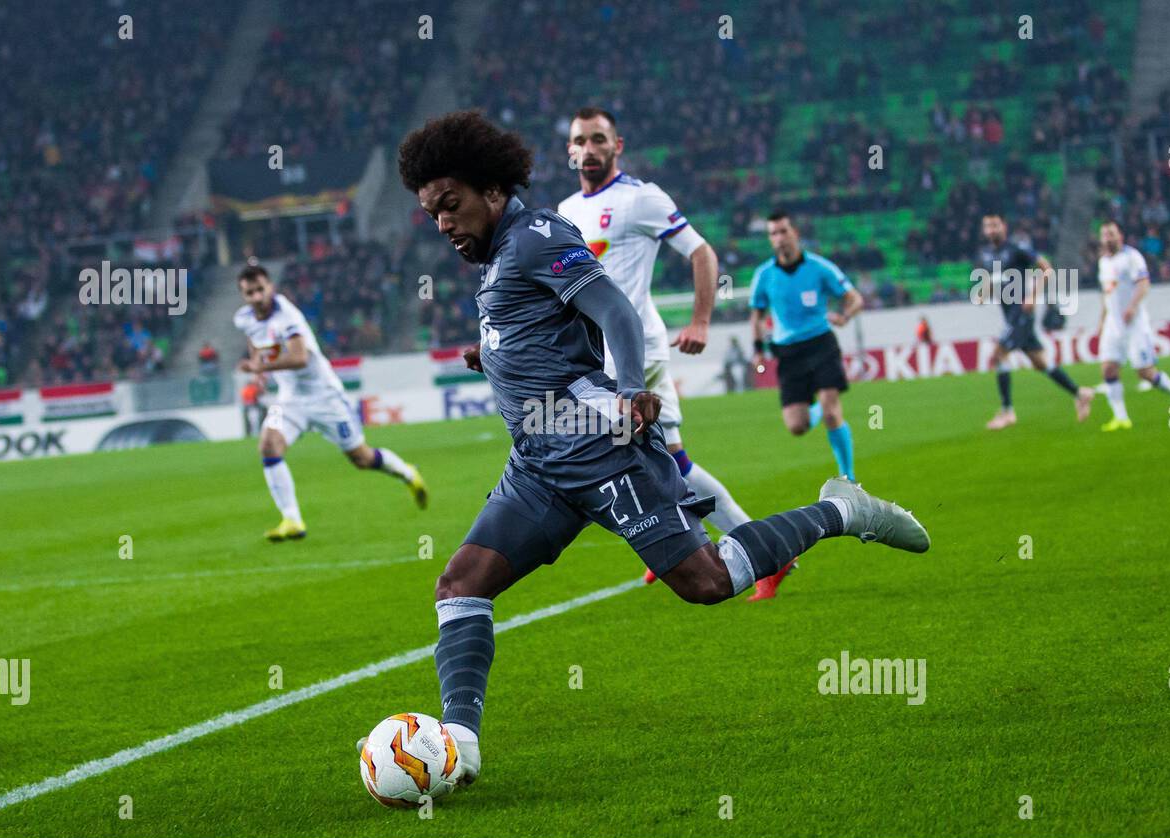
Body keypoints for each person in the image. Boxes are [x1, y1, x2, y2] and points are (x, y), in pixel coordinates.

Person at [388, 111, 931, 790]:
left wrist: (625, 392)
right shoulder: (500, 255)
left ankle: (840, 510)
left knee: (706, 582)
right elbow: (543, 332)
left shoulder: (537, 237)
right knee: (461, 585)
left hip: (603, 451)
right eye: (431, 212)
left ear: (493, 189)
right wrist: (491, 355)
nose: (442, 222)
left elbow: (613, 309)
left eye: (451, 204)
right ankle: (459, 746)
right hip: (538, 466)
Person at [556, 107, 780, 598]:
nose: (589, 149)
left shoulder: (641, 199)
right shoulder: (566, 211)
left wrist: (700, 319)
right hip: (598, 358)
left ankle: (760, 553)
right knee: (645, 458)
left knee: (661, 460)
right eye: (581, 141)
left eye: (599, 139)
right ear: (570, 150)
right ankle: (680, 544)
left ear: (618, 145)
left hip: (640, 350)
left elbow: (701, 253)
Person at [233, 265, 427, 541]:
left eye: (260, 289)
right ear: (243, 295)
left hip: (325, 397)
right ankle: (292, 519)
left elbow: (300, 358)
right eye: (249, 292)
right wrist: (256, 364)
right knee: (268, 444)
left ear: (271, 287)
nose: (256, 297)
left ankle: (407, 472)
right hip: (289, 400)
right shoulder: (244, 318)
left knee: (362, 458)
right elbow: (256, 341)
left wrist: (262, 365)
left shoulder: (287, 317)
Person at [750, 213, 860, 482]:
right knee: (796, 426)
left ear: (795, 233)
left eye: (783, 231)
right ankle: (819, 408)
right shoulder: (764, 275)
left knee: (833, 413)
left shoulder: (820, 268)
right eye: (773, 234)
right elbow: (757, 316)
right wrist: (757, 350)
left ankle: (849, 479)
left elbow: (854, 298)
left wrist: (844, 317)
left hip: (821, 344)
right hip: (788, 353)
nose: (778, 238)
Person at [974, 213, 1094, 430]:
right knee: (1040, 362)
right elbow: (993, 281)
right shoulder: (987, 256)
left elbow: (1046, 269)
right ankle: (1080, 393)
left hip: (1021, 313)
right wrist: (983, 292)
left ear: (1004, 226)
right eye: (987, 226)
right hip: (1010, 314)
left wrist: (1033, 296)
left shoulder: (1017, 249)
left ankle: (1007, 411)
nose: (991, 230)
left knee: (999, 355)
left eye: (995, 225)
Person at [1093, 220, 1170, 430]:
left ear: (1120, 236)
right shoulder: (1103, 263)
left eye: (1111, 234)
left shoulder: (1132, 257)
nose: (1108, 238)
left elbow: (1144, 284)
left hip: (1134, 323)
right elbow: (1106, 293)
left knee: (1145, 372)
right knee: (1108, 369)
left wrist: (1132, 307)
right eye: (1104, 235)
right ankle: (1121, 418)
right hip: (1113, 323)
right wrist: (1101, 321)